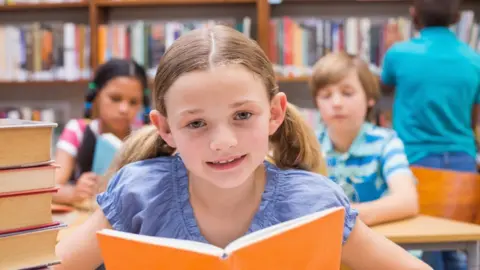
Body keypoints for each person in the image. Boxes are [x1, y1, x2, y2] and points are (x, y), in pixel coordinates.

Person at [54, 25, 431, 270]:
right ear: (166, 128)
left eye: (242, 115)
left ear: (274, 113)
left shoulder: (314, 204)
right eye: (196, 123)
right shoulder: (137, 194)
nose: (223, 142)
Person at [380, 0, 480, 269]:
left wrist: (393, 47)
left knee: (424, 249)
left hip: (414, 163)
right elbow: (473, 116)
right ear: (457, 17)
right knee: (457, 248)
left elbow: (383, 89)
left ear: (414, 14)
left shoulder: (399, 53)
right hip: (464, 166)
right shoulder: (474, 59)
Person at [312, 52, 419, 226]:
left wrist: (346, 217)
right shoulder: (308, 146)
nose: (336, 103)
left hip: (382, 244)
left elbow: (407, 201)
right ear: (316, 102)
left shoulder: (386, 142)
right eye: (326, 95)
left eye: (347, 93)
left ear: (370, 98)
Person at [53, 58, 150, 206]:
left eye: (133, 102)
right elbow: (51, 188)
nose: (124, 109)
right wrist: (74, 193)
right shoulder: (77, 130)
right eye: (115, 99)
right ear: (96, 96)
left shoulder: (144, 138)